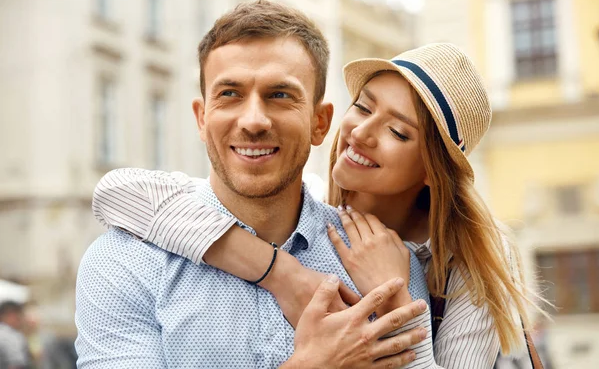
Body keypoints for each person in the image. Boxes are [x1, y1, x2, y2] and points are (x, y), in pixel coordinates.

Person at [93, 40, 546, 367]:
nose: (363, 133)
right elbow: (116, 193)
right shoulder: (301, 204)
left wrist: (397, 302)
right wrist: (282, 273)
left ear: (432, 170)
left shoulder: (470, 259)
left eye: (398, 132)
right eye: (365, 108)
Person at [75, 0, 431, 369]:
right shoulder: (124, 261)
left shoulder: (387, 269)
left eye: (280, 95)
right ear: (202, 118)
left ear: (320, 123)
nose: (254, 121)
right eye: (230, 94)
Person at [0, 301, 31, 369]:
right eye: (19, 314)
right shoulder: (12, 336)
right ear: (11, 315)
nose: (21, 319)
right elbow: (16, 365)